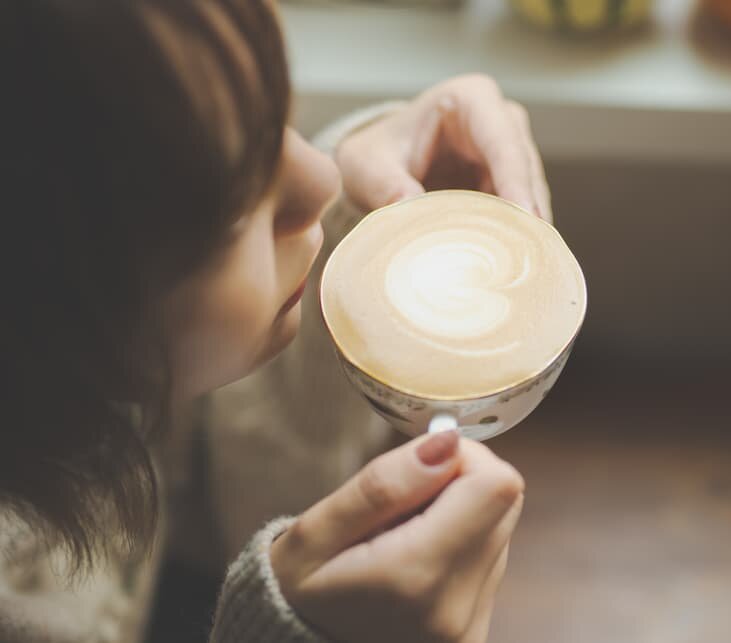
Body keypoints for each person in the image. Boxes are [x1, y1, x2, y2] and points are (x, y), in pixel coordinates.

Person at [0, 1, 551, 642]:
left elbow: (216, 489)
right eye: (233, 207)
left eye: (278, 123)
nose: (324, 173)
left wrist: (360, 239)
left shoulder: (77, 383)